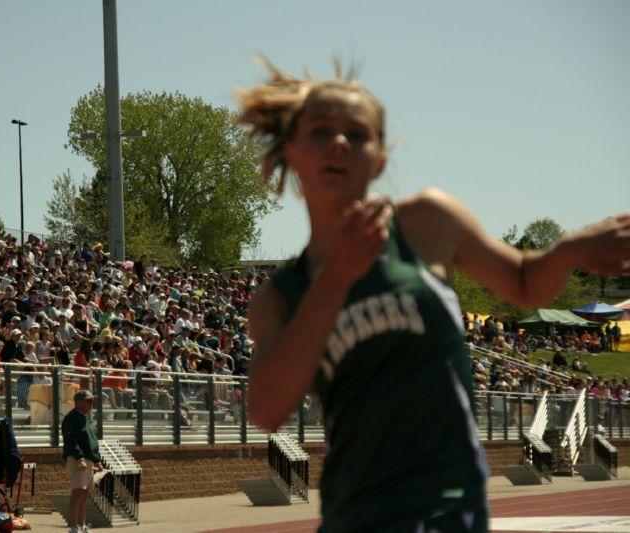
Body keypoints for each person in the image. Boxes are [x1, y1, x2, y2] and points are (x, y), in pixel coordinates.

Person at [237, 58, 630, 532]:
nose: (339, 142)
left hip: (450, 506)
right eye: (320, 131)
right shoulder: (278, 298)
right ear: (291, 151)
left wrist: (568, 250)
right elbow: (265, 409)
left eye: (357, 134)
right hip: (358, 515)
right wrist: (335, 279)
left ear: (380, 158)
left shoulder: (428, 223)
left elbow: (526, 283)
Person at [62, 389, 103, 533]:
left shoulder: (84, 417)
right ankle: (74, 526)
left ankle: (82, 524)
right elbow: (71, 440)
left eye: (92, 401)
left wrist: (96, 460)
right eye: (89, 401)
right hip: (78, 459)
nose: (92, 403)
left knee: (85, 493)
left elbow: (90, 441)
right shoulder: (72, 418)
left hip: (88, 459)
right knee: (78, 491)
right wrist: (79, 458)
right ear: (78, 402)